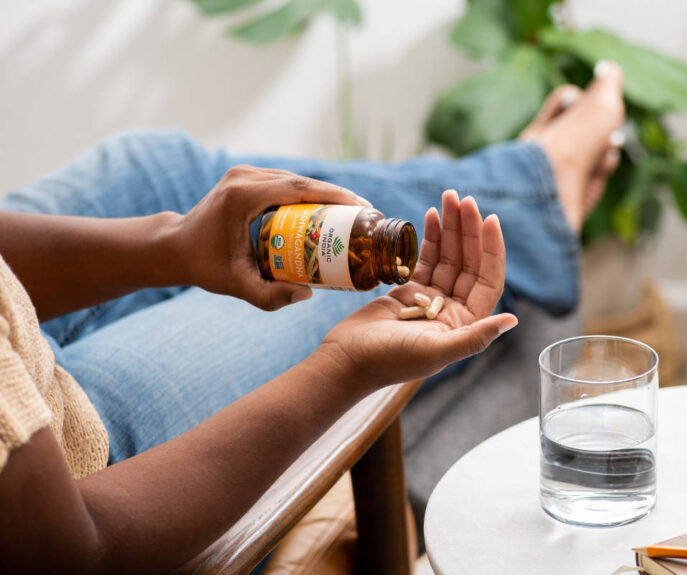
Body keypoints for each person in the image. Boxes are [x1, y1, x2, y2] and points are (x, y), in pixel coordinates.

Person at [0, 62, 624, 572]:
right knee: (349, 284)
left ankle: (533, 191)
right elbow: (74, 549)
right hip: (67, 456)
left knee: (158, 168)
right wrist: (343, 365)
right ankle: (538, 190)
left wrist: (174, 243)